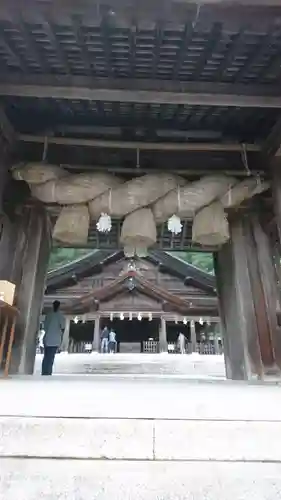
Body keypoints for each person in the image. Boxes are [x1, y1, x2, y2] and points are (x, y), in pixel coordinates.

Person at [41, 300, 65, 376]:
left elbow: (44, 327)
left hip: (47, 338)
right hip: (55, 339)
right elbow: (63, 327)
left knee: (46, 356)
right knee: (51, 357)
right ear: (59, 306)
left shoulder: (49, 315)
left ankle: (44, 372)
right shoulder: (60, 316)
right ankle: (48, 372)